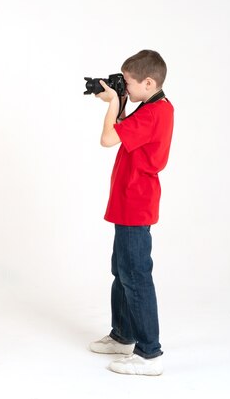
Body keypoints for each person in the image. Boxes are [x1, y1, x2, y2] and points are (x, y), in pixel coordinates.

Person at [89, 50, 174, 376]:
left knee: (136, 277)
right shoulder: (154, 108)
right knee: (122, 270)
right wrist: (121, 102)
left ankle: (149, 353)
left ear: (148, 82)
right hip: (129, 201)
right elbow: (127, 129)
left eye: (127, 82)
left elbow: (108, 138)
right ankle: (123, 335)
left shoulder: (152, 114)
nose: (124, 86)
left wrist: (112, 103)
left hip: (135, 204)